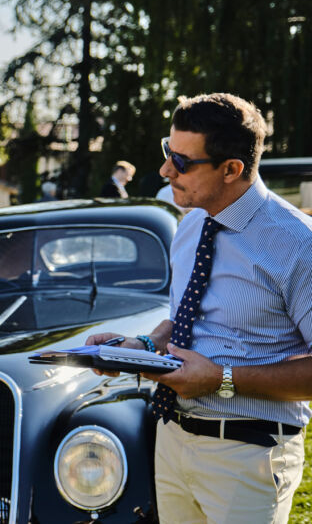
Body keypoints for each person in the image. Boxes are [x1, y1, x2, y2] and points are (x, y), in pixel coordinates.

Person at [86, 93, 312, 523]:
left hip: (249, 455)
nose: (166, 169)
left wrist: (221, 380)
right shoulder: (189, 226)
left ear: (232, 170)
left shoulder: (299, 244)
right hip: (171, 441)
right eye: (167, 151)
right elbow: (185, 318)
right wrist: (137, 346)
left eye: (183, 162)